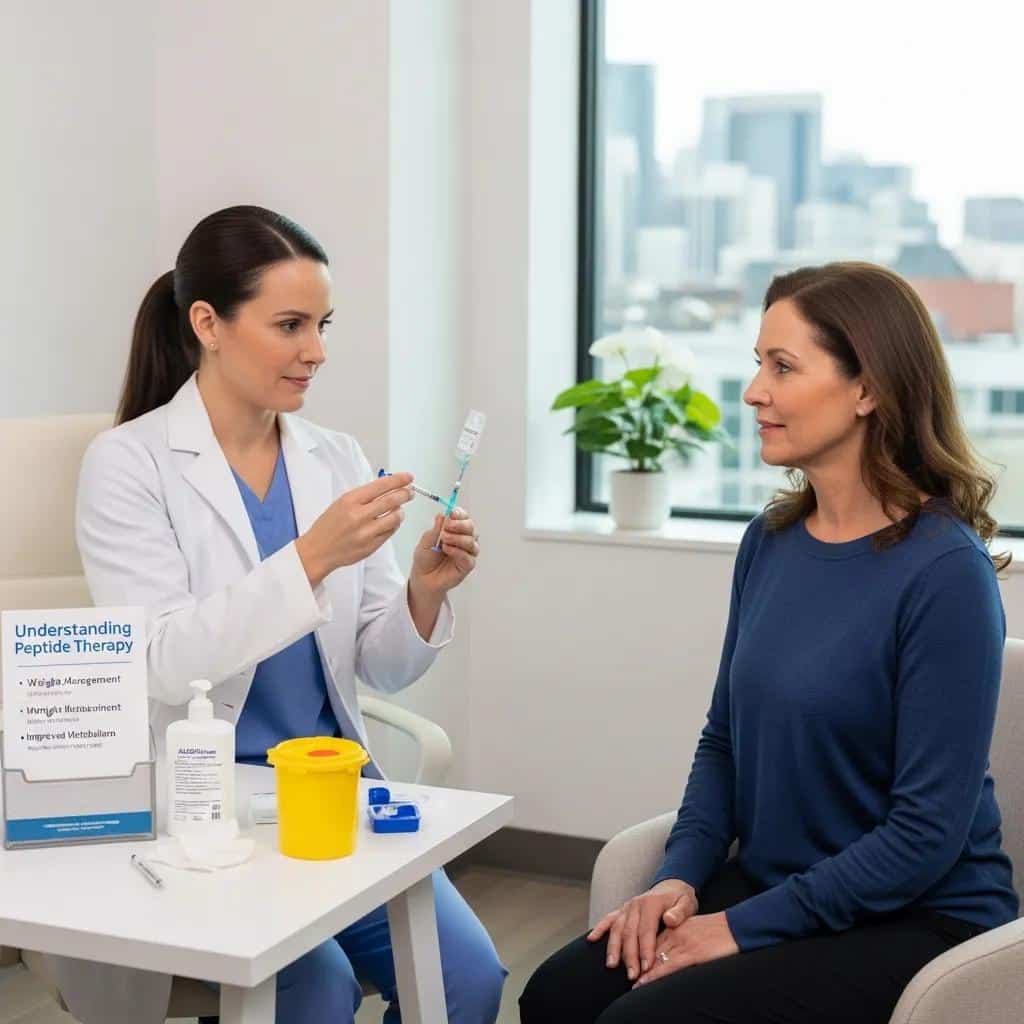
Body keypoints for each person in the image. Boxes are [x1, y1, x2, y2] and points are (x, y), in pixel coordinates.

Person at [520, 262, 1018, 1024]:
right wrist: (679, 879)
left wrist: (738, 930)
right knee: (556, 995)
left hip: (915, 918)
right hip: (778, 884)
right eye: (759, 363)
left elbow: (923, 837)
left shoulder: (945, 572)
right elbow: (723, 740)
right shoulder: (771, 540)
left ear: (867, 389)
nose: (754, 391)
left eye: (781, 366)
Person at [76, 205, 505, 1023]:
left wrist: (423, 590)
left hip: (330, 798)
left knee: (468, 980)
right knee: (315, 994)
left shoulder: (332, 456)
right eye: (289, 324)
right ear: (207, 322)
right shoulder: (128, 464)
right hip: (206, 813)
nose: (317, 350)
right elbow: (163, 658)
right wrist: (313, 555)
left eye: (322, 323)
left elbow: (378, 665)